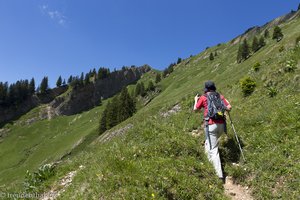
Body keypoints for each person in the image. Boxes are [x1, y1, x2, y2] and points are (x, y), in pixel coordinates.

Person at [193, 81, 231, 182]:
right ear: (214, 87)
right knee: (208, 143)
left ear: (206, 88)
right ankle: (208, 164)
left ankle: (219, 175)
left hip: (210, 125)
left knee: (213, 149)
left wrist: (195, 100)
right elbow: (229, 107)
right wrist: (224, 100)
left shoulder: (204, 97)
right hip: (222, 125)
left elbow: (195, 109)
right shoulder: (220, 96)